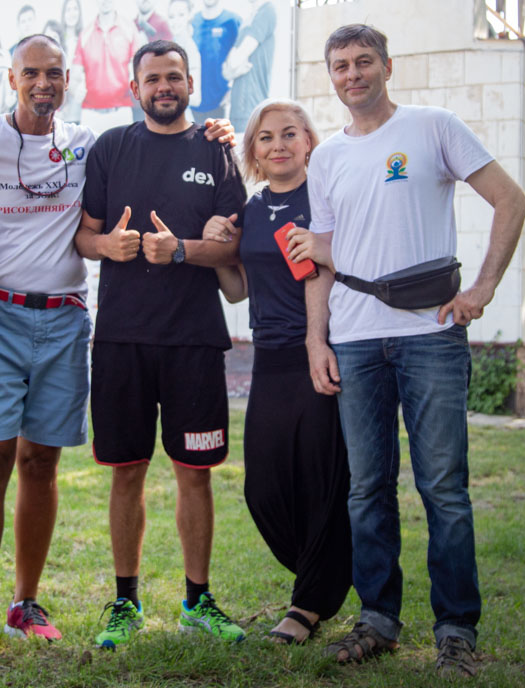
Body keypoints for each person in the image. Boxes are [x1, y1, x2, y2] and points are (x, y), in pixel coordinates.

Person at [0, 34, 235, 655]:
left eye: (54, 73)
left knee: (41, 463)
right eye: (32, 73)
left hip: (65, 321)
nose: (43, 83)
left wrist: (218, 133)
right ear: (11, 78)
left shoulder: (87, 144)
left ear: (68, 79)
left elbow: (157, 143)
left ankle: (26, 601)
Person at [305, 24, 525, 677]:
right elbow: (320, 260)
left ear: (387, 66)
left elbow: (510, 200)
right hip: (353, 336)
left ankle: (456, 627)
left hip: (430, 336)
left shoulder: (434, 126)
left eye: (364, 61)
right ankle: (378, 618)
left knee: (443, 488)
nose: (353, 74)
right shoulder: (327, 158)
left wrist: (484, 286)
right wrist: (317, 338)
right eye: (341, 65)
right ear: (333, 76)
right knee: (367, 489)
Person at [75, 40, 247, 649]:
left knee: (194, 474)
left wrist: (182, 249)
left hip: (194, 341)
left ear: (191, 83)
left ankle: (198, 601)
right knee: (126, 472)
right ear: (135, 88)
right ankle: (125, 602)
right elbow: (84, 236)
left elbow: (233, 248)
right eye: (153, 78)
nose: (164, 86)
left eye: (174, 76)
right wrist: (108, 248)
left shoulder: (218, 150)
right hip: (121, 339)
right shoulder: (111, 148)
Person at [201, 100, 352, 645]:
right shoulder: (254, 208)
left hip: (321, 352)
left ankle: (308, 604)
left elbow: (341, 266)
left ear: (310, 141)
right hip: (269, 357)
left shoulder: (328, 198)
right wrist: (221, 248)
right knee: (263, 487)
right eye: (265, 138)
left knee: (320, 480)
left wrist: (319, 341)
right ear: (254, 153)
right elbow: (240, 291)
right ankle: (332, 570)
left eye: (290, 134)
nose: (278, 144)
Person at [74, 0, 144, 127]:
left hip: (121, 113)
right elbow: (75, 75)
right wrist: (75, 87)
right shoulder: (85, 33)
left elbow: (139, 67)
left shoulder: (129, 28)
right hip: (90, 115)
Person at [223, 0, 277, 135]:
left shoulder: (267, 12)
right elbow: (228, 68)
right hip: (237, 108)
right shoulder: (247, 20)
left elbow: (237, 58)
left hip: (252, 108)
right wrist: (234, 69)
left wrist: (234, 64)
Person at [190, 0, 240, 124]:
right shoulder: (192, 22)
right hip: (194, 106)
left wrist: (232, 91)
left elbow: (243, 60)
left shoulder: (232, 21)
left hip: (220, 104)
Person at [166, 0, 201, 115]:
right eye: (171, 16)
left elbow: (195, 98)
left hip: (182, 119)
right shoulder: (172, 46)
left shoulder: (190, 49)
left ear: (189, 16)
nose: (175, 21)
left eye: (181, 15)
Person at [57, 0, 86, 123]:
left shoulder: (85, 38)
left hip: (79, 104)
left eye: (75, 9)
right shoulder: (56, 42)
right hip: (60, 106)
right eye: (68, 9)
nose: (71, 13)